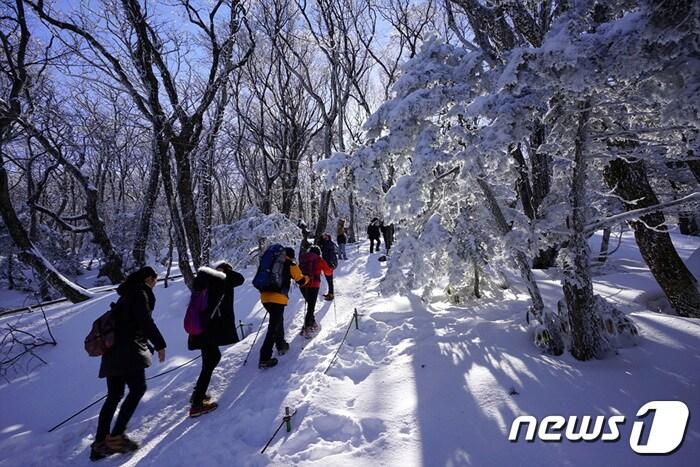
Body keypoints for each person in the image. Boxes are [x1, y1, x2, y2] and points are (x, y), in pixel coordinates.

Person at [91, 267, 167, 461]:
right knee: (138, 388)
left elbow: (130, 324)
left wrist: (148, 344)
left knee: (114, 395)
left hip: (112, 353)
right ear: (149, 279)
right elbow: (144, 321)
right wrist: (159, 344)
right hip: (128, 352)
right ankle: (116, 436)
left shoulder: (125, 295)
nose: (155, 285)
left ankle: (99, 444)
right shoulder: (139, 292)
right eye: (155, 281)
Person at [187, 261, 244, 418]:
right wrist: (225, 269)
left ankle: (198, 394)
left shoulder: (204, 280)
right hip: (210, 331)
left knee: (210, 360)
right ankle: (197, 404)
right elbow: (240, 279)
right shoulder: (220, 279)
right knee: (212, 360)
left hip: (200, 329)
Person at [258, 247, 309, 369]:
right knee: (273, 326)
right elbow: (300, 280)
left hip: (265, 297)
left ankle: (280, 345)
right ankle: (265, 357)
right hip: (278, 298)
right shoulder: (290, 263)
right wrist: (308, 278)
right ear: (291, 255)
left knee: (277, 321)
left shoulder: (271, 261)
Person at [299, 245, 334, 337]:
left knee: (310, 304)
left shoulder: (303, 258)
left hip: (303, 284)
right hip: (314, 285)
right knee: (311, 306)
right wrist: (331, 268)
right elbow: (328, 272)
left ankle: (312, 322)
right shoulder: (319, 259)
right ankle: (307, 328)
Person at [318, 233, 338, 300]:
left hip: (329, 264)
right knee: (329, 280)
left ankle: (331, 295)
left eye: (326, 237)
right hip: (326, 264)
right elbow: (319, 244)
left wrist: (331, 264)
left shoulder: (329, 244)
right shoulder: (325, 244)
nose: (325, 238)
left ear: (329, 237)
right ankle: (330, 293)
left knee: (330, 280)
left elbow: (332, 255)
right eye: (324, 237)